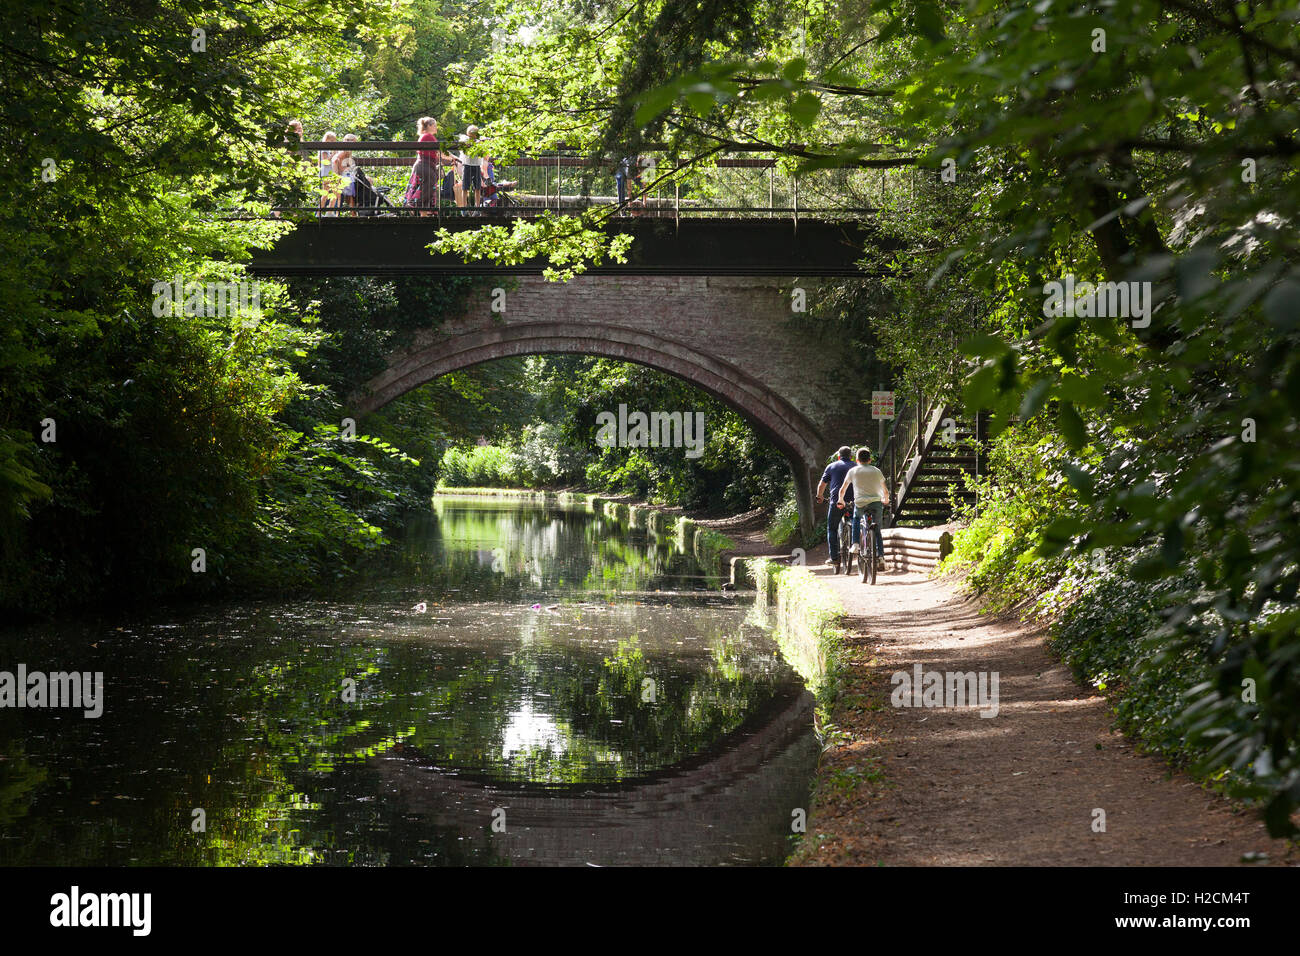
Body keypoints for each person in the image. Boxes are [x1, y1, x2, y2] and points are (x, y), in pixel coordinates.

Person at [838, 446, 890, 572]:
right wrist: (886, 500)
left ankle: (855, 544)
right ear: (870, 460)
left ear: (857, 460)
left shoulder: (853, 471)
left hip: (860, 503)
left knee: (856, 519)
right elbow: (885, 490)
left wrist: (841, 500)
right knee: (877, 531)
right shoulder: (877, 471)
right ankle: (881, 557)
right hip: (876, 503)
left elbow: (843, 489)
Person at [816, 446, 856, 572]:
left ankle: (834, 557)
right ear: (851, 456)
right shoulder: (856, 466)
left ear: (839, 456)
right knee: (856, 522)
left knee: (831, 529)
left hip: (837, 502)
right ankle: (856, 545)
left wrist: (820, 497)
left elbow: (822, 485)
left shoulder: (831, 466)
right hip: (853, 502)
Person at [405, 117, 454, 215]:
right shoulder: (428, 136)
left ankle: (423, 214)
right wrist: (453, 158)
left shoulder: (425, 136)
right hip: (425, 167)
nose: (436, 127)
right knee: (427, 190)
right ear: (429, 126)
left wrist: (451, 158)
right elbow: (440, 152)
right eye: (435, 125)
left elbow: (437, 154)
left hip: (424, 166)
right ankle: (413, 205)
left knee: (426, 190)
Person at [457, 125, 484, 208]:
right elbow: (463, 147)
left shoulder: (480, 141)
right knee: (465, 187)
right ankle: (464, 207)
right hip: (467, 165)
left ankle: (477, 207)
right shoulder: (464, 140)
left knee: (477, 188)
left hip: (476, 165)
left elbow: (483, 151)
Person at [332, 134, 359, 214]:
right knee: (349, 194)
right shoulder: (343, 152)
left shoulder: (348, 152)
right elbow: (335, 160)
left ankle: (352, 213)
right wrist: (338, 175)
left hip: (347, 175)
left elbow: (350, 165)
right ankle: (352, 214)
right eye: (354, 142)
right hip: (341, 176)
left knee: (353, 188)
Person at [318, 131, 338, 214]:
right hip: (326, 173)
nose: (333, 142)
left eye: (334, 141)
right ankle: (319, 213)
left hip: (331, 173)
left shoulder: (330, 149)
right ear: (326, 140)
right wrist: (333, 155)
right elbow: (325, 161)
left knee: (335, 193)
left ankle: (329, 212)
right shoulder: (324, 148)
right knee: (325, 193)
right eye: (331, 140)